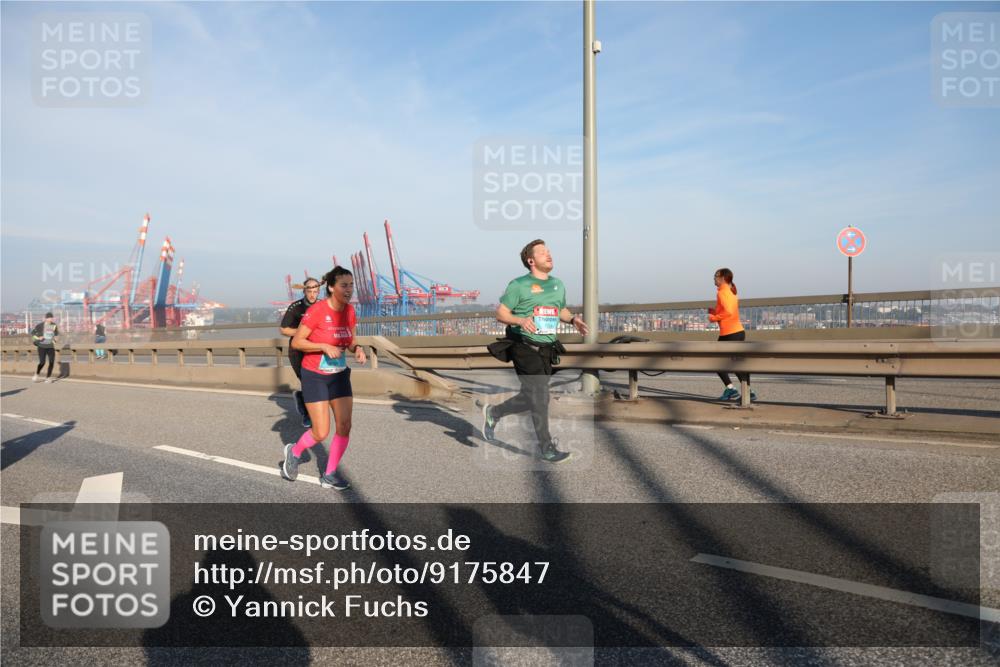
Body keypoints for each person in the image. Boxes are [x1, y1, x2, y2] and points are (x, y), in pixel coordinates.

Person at [481, 240, 589, 463]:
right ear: (531, 261)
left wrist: (573, 319)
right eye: (542, 252)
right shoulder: (519, 285)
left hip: (547, 348)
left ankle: (494, 412)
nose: (549, 255)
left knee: (533, 396)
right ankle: (547, 449)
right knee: (540, 396)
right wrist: (521, 321)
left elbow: (560, 309)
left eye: (549, 251)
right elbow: (501, 313)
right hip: (524, 346)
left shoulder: (557, 284)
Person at [282, 267, 366, 490]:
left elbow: (350, 340)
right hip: (315, 376)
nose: (349, 289)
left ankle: (329, 474)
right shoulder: (317, 310)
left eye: (351, 285)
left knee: (345, 425)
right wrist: (323, 346)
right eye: (344, 285)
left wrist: (357, 348)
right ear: (331, 287)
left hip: (339, 376)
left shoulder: (350, 311)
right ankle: (295, 452)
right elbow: (297, 342)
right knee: (320, 432)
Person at [709, 268, 757, 402]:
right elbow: (727, 311)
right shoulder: (731, 291)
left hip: (730, 333)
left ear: (723, 278)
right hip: (735, 332)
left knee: (718, 361)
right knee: (735, 363)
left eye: (716, 276)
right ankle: (746, 391)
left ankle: (733, 389)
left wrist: (713, 318)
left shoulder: (722, 292)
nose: (713, 278)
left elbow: (728, 312)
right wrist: (715, 312)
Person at [279, 278, 322, 428]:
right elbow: (284, 329)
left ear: (319, 291)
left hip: (316, 349)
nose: (312, 295)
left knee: (318, 382)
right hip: (297, 351)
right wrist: (303, 331)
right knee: (308, 381)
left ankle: (301, 397)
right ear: (304, 291)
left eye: (315, 291)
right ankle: (308, 414)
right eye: (309, 291)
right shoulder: (296, 307)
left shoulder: (323, 306)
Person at [31, 312, 59, 383]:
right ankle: (37, 374)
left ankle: (48, 377)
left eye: (51, 318)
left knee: (51, 362)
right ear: (46, 318)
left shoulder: (54, 325)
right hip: (42, 347)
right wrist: (38, 338)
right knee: (42, 362)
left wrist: (55, 340)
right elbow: (32, 333)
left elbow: (56, 335)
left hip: (50, 347)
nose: (50, 319)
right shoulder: (40, 325)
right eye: (49, 318)